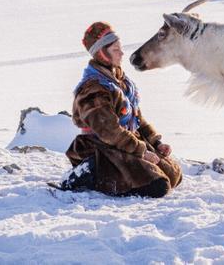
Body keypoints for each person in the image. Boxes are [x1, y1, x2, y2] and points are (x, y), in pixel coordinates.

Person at [59, 21, 182, 198]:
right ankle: (90, 172)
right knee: (158, 186)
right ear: (102, 53)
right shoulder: (93, 89)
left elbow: (136, 118)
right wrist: (142, 152)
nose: (122, 53)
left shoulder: (120, 81)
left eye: (120, 48)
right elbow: (109, 131)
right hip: (102, 147)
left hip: (126, 143)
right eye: (116, 49)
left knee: (174, 175)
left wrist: (156, 143)